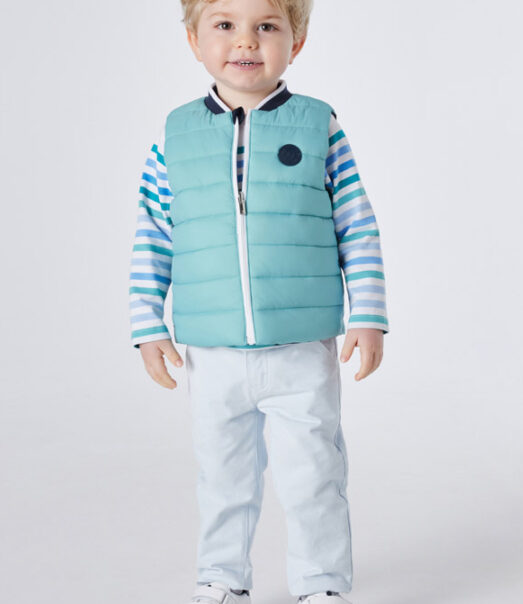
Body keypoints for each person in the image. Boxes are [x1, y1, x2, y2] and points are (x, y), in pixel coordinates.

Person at [128, 1, 389, 602]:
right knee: (222, 478)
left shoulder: (319, 125)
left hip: (302, 347)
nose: (245, 41)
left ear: (296, 42)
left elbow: (356, 222)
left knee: (313, 475)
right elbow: (154, 230)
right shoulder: (175, 136)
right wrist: (147, 323)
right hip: (212, 351)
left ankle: (321, 584)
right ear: (194, 40)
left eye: (266, 26)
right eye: (224, 25)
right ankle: (222, 578)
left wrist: (368, 313)